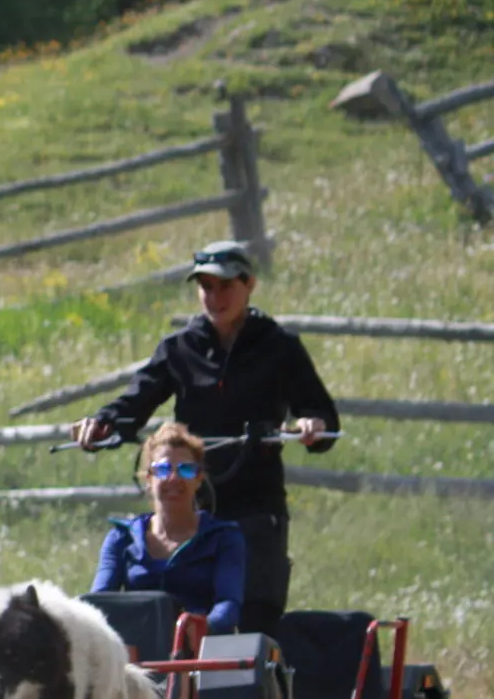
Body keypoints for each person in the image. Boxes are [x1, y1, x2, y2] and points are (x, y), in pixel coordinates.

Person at [71, 241, 338, 634]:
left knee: (253, 623)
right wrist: (103, 423)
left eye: (225, 286)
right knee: (175, 622)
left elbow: (321, 417)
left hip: (255, 508)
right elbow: (136, 401)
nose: (215, 297)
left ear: (250, 285)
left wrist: (312, 426)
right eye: (206, 287)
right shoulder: (179, 348)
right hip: (194, 508)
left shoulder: (280, 348)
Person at [91, 422, 246, 632]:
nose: (174, 478)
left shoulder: (224, 538)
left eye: (186, 469)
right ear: (148, 479)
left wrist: (200, 628)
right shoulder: (121, 538)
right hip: (136, 652)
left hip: (201, 651)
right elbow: (99, 603)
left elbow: (229, 605)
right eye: (162, 469)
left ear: (199, 479)